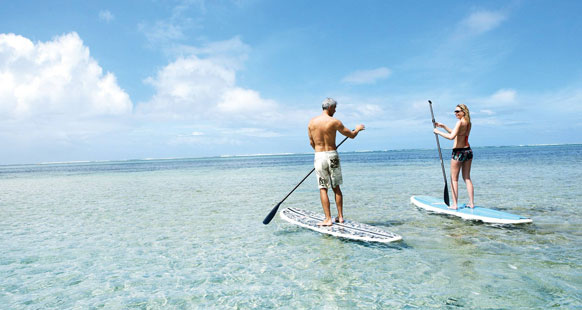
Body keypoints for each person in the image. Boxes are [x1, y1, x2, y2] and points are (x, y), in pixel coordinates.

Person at [307, 98, 365, 226]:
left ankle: (328, 219)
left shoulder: (311, 123)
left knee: (323, 188)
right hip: (332, 155)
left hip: (319, 156)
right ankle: (340, 217)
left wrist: (320, 153)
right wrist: (357, 129)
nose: (335, 110)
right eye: (334, 108)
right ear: (329, 108)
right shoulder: (334, 122)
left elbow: (311, 142)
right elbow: (352, 135)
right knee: (336, 187)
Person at [433, 104, 474, 210]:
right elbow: (456, 133)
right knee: (467, 178)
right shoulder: (468, 123)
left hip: (458, 152)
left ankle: (455, 205)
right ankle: (471, 203)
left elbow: (451, 137)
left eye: (457, 111)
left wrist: (438, 132)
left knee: (454, 179)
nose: (455, 113)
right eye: (455, 111)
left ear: (463, 112)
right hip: (468, 151)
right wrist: (444, 126)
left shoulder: (459, 122)